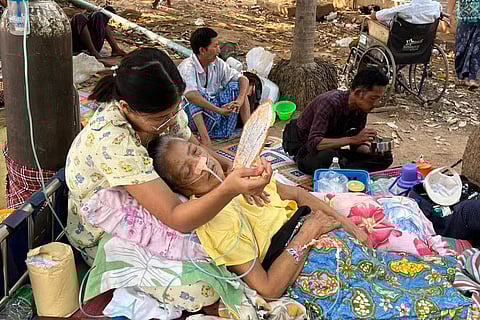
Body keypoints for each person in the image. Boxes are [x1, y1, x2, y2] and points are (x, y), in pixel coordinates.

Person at [147, 136, 470, 318]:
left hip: (335, 239)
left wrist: (351, 228)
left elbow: (300, 194)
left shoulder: (248, 179)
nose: (202, 164)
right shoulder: (215, 223)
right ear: (183, 189)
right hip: (309, 265)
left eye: (195, 153)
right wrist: (307, 233)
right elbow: (269, 288)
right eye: (188, 169)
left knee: (419, 277)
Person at [65, 47, 272, 265]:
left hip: (145, 196)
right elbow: (177, 218)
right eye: (163, 117)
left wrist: (236, 167)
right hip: (101, 230)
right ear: (126, 108)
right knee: (200, 272)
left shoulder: (165, 111)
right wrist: (228, 189)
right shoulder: (113, 142)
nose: (172, 120)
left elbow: (196, 147)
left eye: (176, 110)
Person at [282, 67, 393, 175]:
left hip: (332, 148)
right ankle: (344, 168)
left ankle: (341, 169)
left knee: (385, 158)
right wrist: (354, 139)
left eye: (379, 99)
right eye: (373, 98)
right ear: (359, 93)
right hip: (305, 149)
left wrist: (370, 149)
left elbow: (355, 144)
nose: (375, 104)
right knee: (328, 157)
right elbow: (314, 143)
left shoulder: (361, 109)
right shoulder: (329, 103)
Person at [178, 27, 251, 146]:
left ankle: (249, 132)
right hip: (193, 117)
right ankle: (205, 140)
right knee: (194, 97)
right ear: (202, 50)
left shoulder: (217, 63)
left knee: (237, 86)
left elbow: (243, 79)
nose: (218, 49)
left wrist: (239, 100)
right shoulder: (187, 67)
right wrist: (218, 110)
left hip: (213, 113)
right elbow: (191, 95)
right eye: (215, 46)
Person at [449, 0, 480, 89]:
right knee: (461, 48)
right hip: (464, 18)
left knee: (476, 49)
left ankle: (472, 78)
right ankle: (462, 77)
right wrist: (449, 13)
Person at [370, 0, 442, 25]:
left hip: (402, 40)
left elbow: (380, 15)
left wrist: (375, 14)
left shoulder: (408, 8)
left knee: (380, 21)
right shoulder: (437, 6)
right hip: (422, 44)